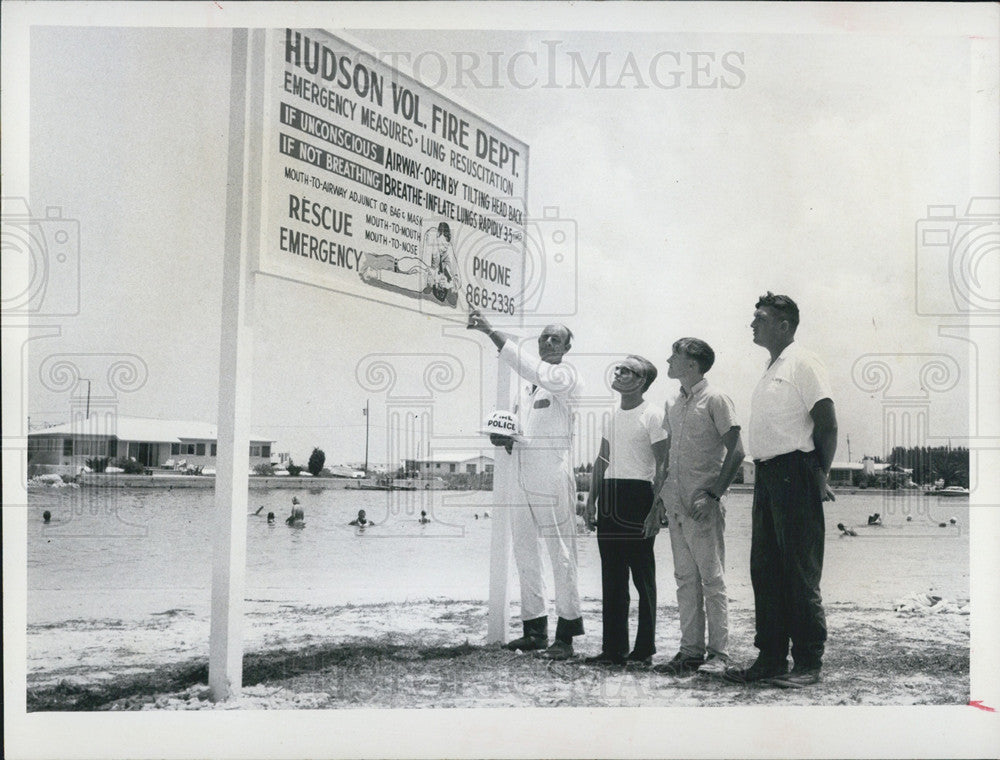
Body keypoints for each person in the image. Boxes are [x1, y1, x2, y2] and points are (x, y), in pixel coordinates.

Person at [724, 292, 837, 689]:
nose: (752, 324)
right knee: (766, 570)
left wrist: (818, 474)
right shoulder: (772, 367)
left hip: (796, 471)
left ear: (784, 325)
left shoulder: (803, 361)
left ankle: (808, 663)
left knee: (799, 572)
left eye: (761, 318)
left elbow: (827, 423)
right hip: (769, 475)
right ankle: (770, 656)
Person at [468, 308, 585, 660]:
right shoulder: (526, 388)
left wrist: (490, 331)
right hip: (520, 471)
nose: (548, 342)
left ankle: (566, 635)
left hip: (551, 473)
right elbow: (518, 425)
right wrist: (503, 437)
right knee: (524, 551)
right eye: (544, 337)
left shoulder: (566, 376)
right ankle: (535, 629)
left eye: (555, 338)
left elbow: (531, 366)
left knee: (561, 554)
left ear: (565, 347)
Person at [654, 339, 744, 677]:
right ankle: (690, 652)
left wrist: (714, 496)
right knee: (684, 580)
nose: (668, 359)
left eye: (674, 355)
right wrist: (658, 503)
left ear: (692, 364)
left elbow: (736, 451)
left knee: (712, 581)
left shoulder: (716, 399)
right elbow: (665, 460)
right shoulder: (673, 404)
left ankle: (718, 653)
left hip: (703, 507)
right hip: (676, 508)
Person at [584, 355, 668, 668]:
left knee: (643, 578)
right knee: (612, 576)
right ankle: (613, 650)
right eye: (618, 369)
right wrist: (590, 500)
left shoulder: (654, 414)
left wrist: (656, 508)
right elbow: (601, 460)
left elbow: (664, 465)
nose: (618, 373)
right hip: (610, 495)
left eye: (627, 371)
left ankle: (644, 649)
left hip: (639, 496)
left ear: (642, 381)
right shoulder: (611, 414)